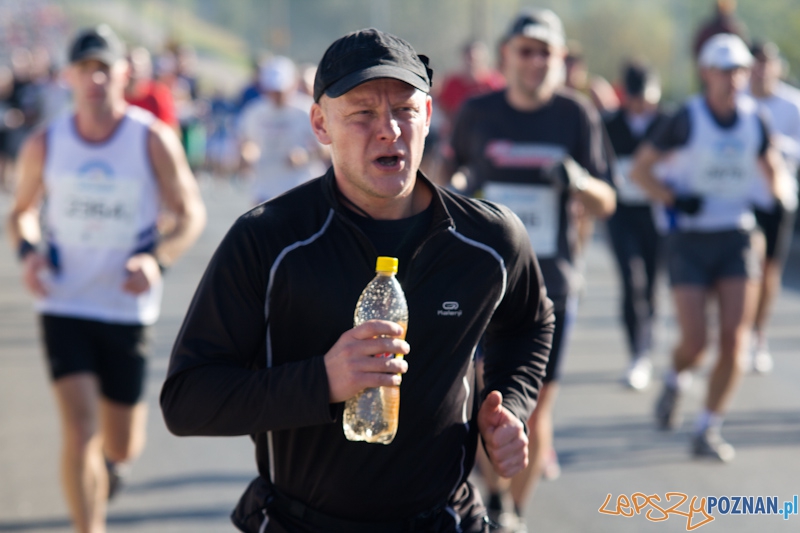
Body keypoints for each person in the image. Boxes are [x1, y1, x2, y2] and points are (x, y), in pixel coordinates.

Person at [160, 27, 556, 533]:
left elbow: (531, 322)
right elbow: (187, 400)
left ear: (429, 117)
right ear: (321, 124)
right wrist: (322, 381)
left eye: (405, 110)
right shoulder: (269, 241)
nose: (388, 130)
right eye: (363, 113)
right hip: (299, 521)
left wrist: (511, 406)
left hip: (443, 518)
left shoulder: (489, 240)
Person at [6, 25, 206, 533]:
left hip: (126, 307)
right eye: (85, 68)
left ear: (124, 73)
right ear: (68, 76)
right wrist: (29, 251)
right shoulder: (48, 143)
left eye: (104, 67)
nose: (95, 77)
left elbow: (189, 214)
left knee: (120, 444)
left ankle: (110, 467)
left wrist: (156, 259)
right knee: (79, 430)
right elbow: (22, 212)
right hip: (65, 302)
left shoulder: (151, 138)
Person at [446, 9, 616, 530]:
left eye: (548, 52)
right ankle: (494, 495)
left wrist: (579, 183)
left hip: (550, 284)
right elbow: (446, 171)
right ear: (507, 57)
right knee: (479, 398)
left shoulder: (576, 115)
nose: (537, 61)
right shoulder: (478, 112)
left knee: (535, 409)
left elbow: (608, 200)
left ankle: (512, 512)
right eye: (527, 50)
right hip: (483, 280)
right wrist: (453, 181)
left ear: (561, 60)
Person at [631, 34, 789, 462]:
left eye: (739, 70)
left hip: (737, 234)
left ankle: (707, 427)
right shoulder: (685, 118)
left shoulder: (756, 120)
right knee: (696, 341)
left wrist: (777, 192)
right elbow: (639, 172)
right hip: (691, 238)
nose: (733, 79)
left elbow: (770, 170)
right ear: (706, 74)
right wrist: (674, 199)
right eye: (724, 71)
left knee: (735, 342)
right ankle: (675, 378)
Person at [603, 61, 670, 390]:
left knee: (654, 280)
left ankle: (649, 333)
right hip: (622, 213)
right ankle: (637, 354)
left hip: (657, 212)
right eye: (636, 97)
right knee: (633, 280)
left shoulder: (667, 123)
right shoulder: (609, 125)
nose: (643, 104)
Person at [746, 40, 800, 373]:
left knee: (768, 273)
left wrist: (777, 146)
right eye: (757, 63)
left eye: (768, 63)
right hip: (743, 198)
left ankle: (758, 334)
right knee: (745, 268)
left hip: (779, 199)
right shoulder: (739, 102)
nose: (762, 69)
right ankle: (737, 331)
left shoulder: (792, 104)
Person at [238, 55, 327, 204]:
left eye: (281, 91)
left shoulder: (306, 110)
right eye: (272, 91)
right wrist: (246, 155)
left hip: (301, 187)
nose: (277, 96)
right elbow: (246, 141)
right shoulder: (255, 111)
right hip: (265, 189)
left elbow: (327, 149)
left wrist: (305, 155)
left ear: (292, 85)